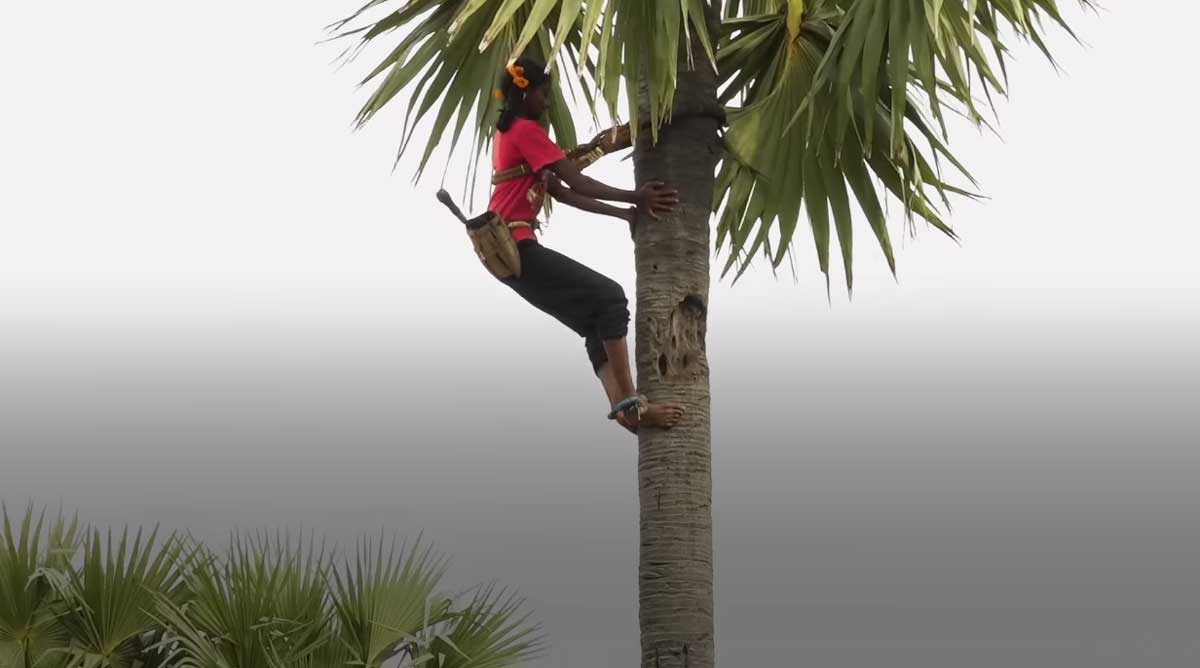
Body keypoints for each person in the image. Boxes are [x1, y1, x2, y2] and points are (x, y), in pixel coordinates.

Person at [488, 57, 684, 435]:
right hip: (517, 246)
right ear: (527, 93)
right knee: (610, 298)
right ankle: (634, 406)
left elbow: (561, 193)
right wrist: (636, 196)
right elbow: (578, 182)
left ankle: (625, 410)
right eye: (544, 94)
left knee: (596, 323)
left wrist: (624, 212)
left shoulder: (508, 133)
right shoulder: (525, 131)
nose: (547, 103)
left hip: (507, 254)